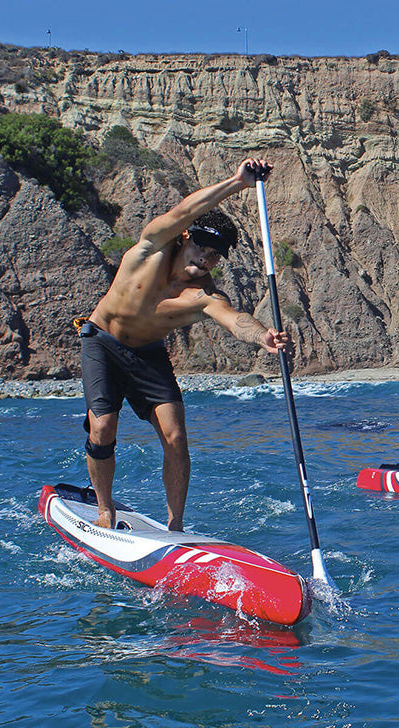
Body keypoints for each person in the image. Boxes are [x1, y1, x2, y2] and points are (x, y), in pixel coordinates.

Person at [77, 157, 287, 529]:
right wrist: (239, 183)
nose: (206, 258)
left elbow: (233, 319)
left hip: (149, 356)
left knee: (175, 438)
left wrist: (263, 336)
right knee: (103, 427)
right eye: (201, 247)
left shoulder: (201, 294)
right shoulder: (151, 249)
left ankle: (175, 527)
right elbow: (187, 209)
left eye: (215, 255)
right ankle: (105, 509)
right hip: (102, 342)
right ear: (186, 237)